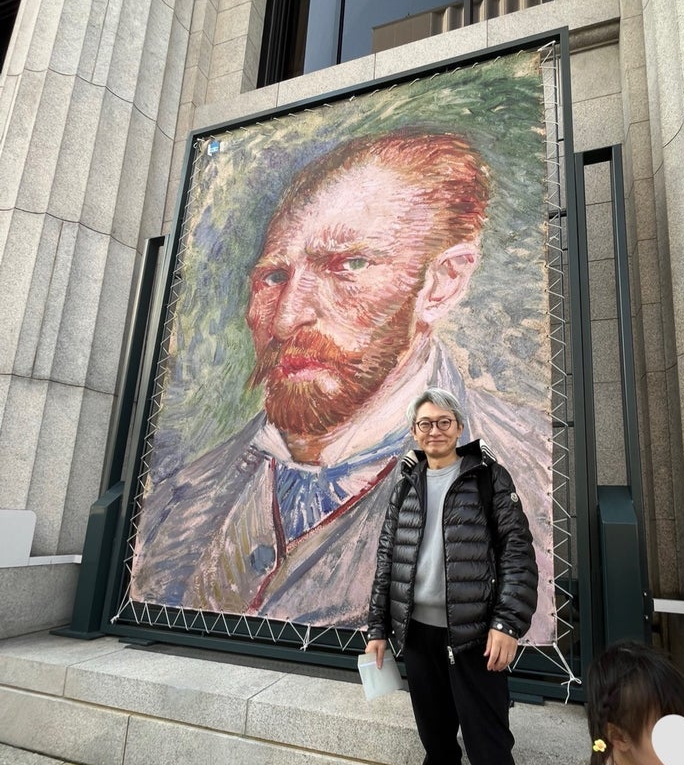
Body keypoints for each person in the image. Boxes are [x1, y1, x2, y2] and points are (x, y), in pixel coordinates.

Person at [131, 129, 554, 640]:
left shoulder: (534, 474)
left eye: (348, 265)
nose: (286, 319)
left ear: (442, 283)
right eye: (273, 277)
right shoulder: (179, 500)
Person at [365, 387, 573, 765]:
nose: (433, 431)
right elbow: (388, 558)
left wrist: (508, 623)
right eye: (424, 423)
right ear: (414, 431)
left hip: (476, 644)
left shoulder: (487, 478)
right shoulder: (405, 482)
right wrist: (377, 626)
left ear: (459, 427)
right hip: (420, 642)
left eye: (443, 421)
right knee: (438, 752)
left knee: (492, 760)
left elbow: (519, 555)